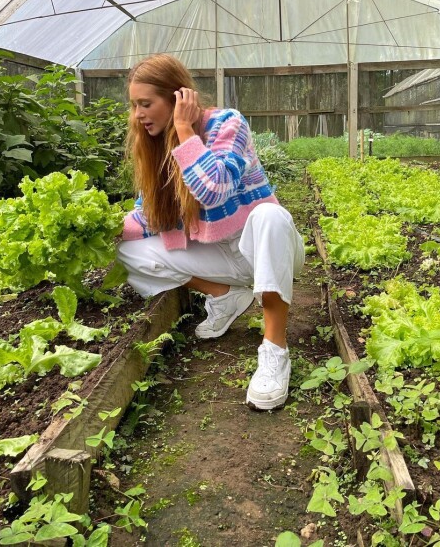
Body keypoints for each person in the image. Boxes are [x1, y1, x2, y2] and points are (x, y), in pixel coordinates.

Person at [116, 54, 304, 410]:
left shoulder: (225, 124)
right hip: (221, 257)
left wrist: (185, 132)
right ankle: (225, 295)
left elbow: (214, 187)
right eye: (134, 105)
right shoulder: (155, 147)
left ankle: (275, 351)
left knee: (270, 216)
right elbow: (147, 219)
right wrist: (99, 229)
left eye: (145, 104)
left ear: (176, 99)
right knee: (128, 254)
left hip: (267, 249)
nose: (137, 115)